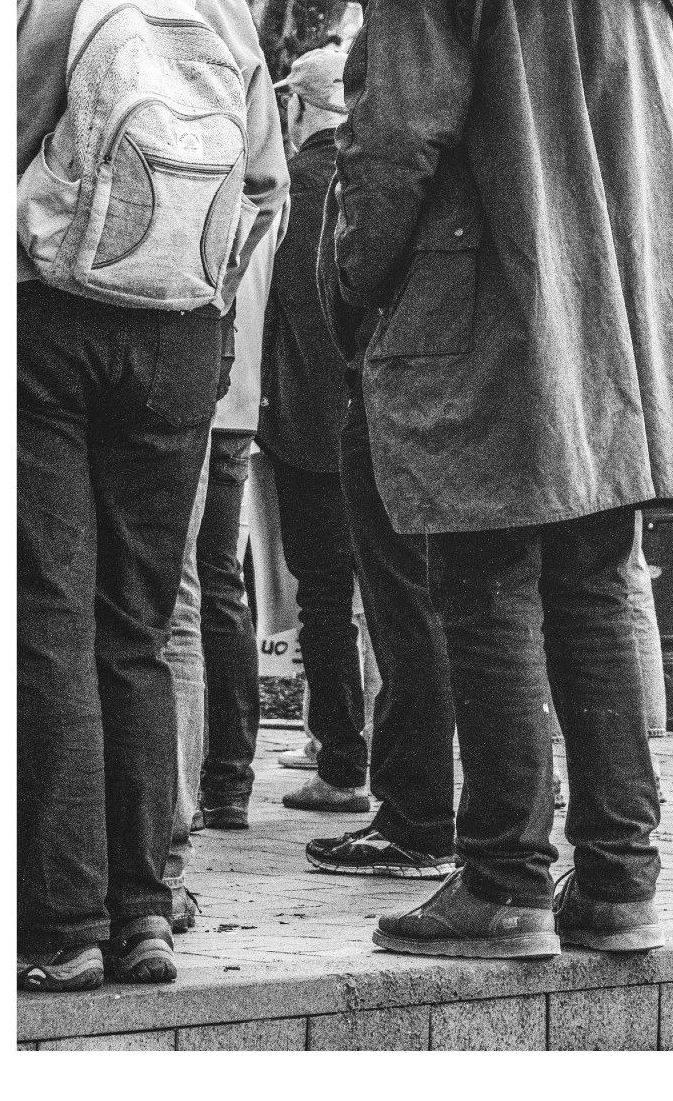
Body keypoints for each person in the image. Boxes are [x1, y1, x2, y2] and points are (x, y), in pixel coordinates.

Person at [318, 0, 673, 960]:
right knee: (596, 580)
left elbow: (390, 146)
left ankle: (503, 877)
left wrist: (346, 288)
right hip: (612, 314)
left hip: (483, 305)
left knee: (483, 583)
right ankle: (617, 876)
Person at [17, 0, 289, 991]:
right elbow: (267, 184)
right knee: (141, 621)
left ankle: (62, 922)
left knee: (46, 618)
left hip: (42, 325)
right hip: (181, 331)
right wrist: (205, 299)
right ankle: (147, 912)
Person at [259, 47, 372, 819]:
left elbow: (286, 313)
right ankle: (406, 758)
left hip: (309, 425)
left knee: (325, 596)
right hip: (389, 419)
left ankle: (341, 762)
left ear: (299, 107)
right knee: (409, 599)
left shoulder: (292, 188)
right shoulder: (378, 177)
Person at [196, 224, 276, 828]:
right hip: (238, 396)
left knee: (169, 595)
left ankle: (191, 777)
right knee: (221, 583)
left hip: (185, 379)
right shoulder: (269, 181)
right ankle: (228, 780)